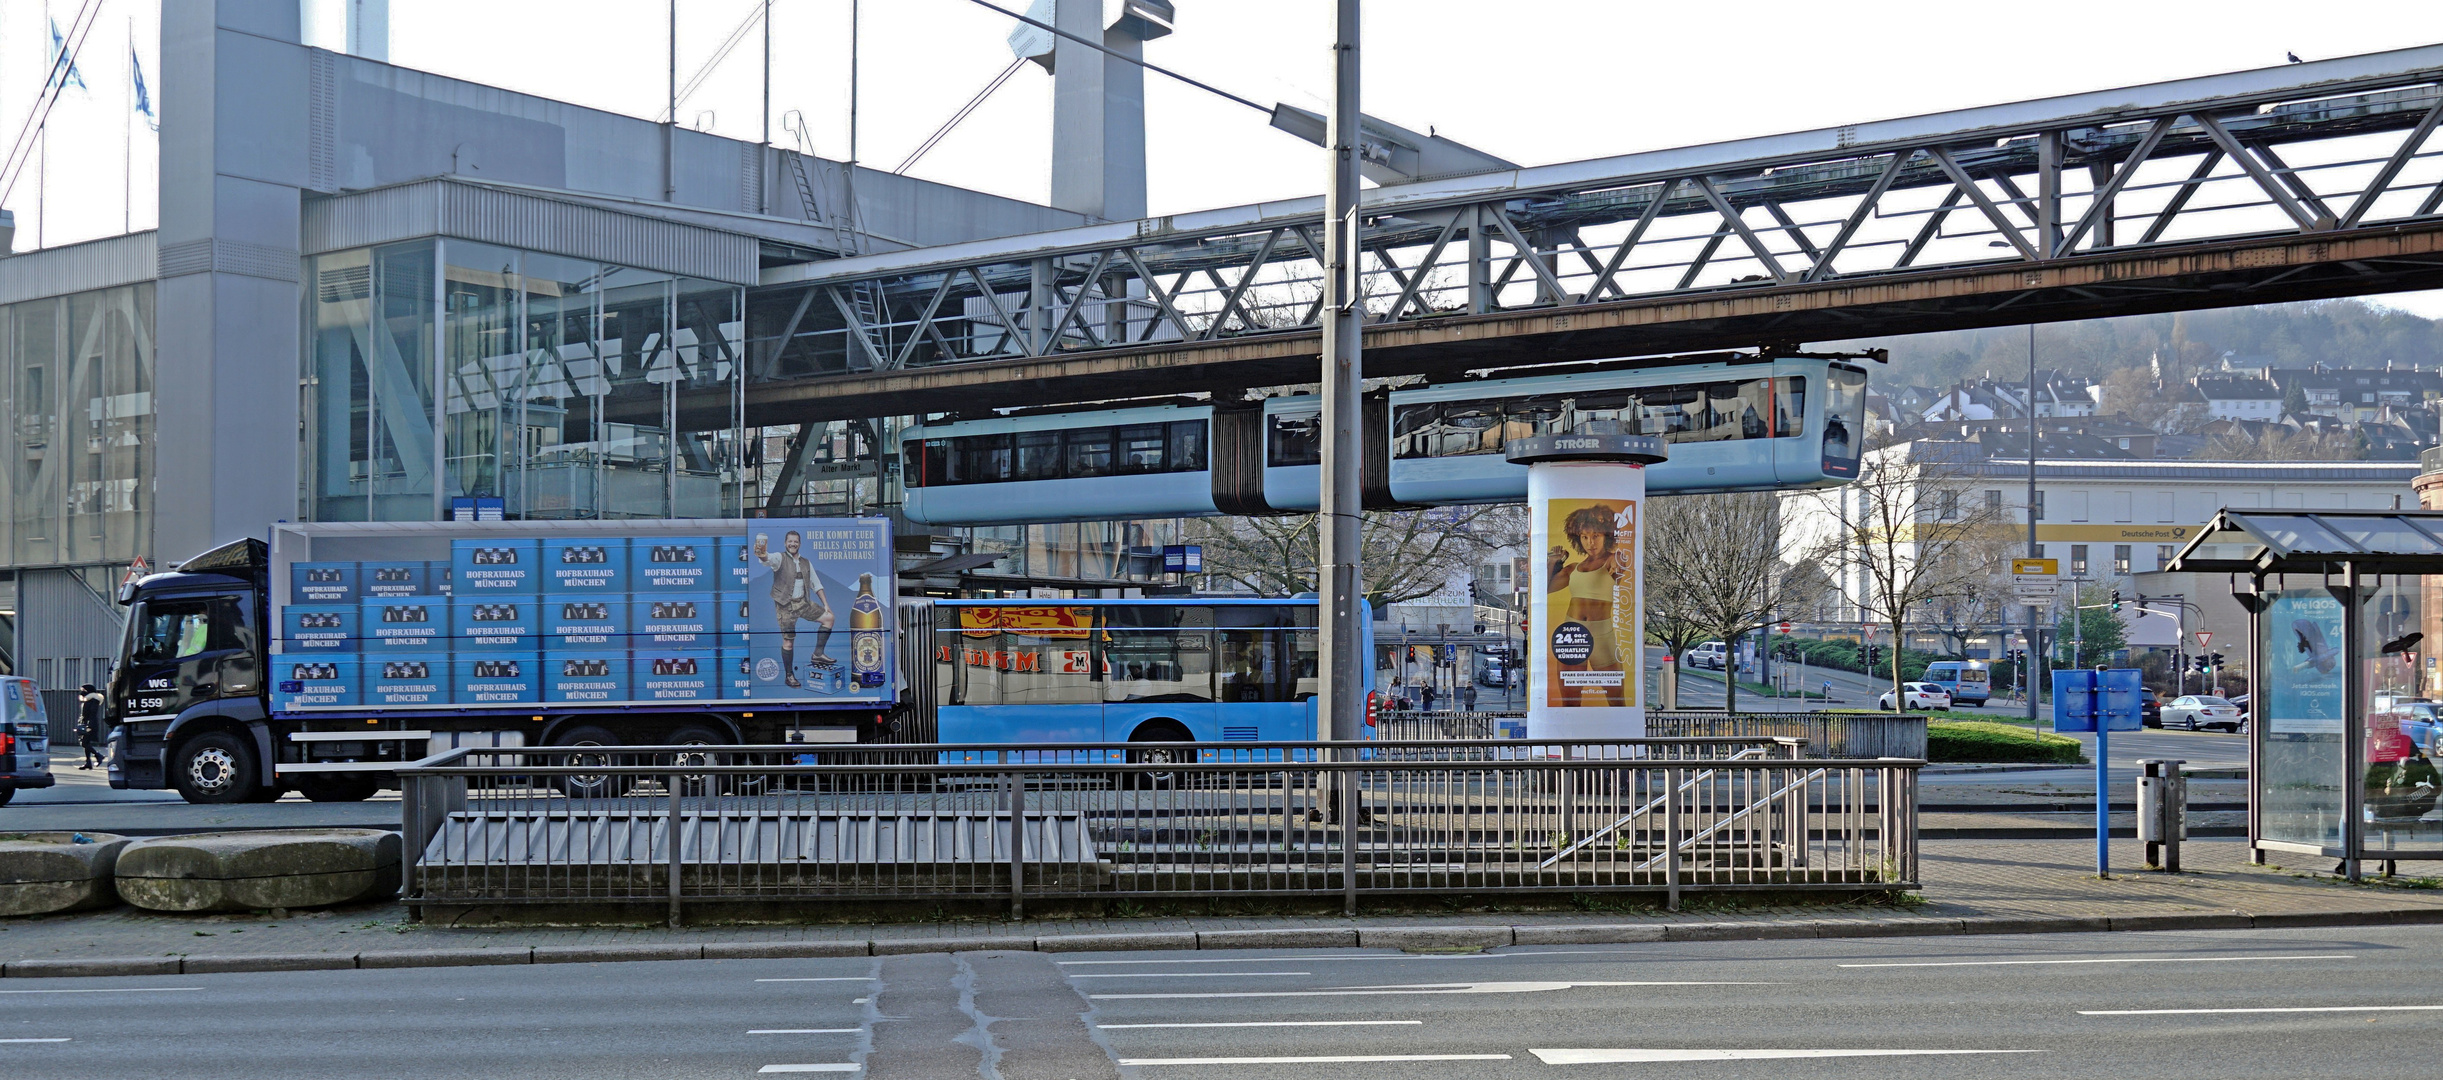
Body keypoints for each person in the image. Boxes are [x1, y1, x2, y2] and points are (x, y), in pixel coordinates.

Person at [1548, 505, 1630, 707]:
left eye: (1596, 536)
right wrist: (1553, 563)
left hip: (1602, 635)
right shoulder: (1573, 569)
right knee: (1569, 702)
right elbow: (1545, 589)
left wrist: (1618, 564)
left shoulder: (1614, 558)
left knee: (1617, 702)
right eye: (1584, 537)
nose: (1590, 542)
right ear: (1577, 538)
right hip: (1572, 634)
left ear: (1607, 535)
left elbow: (1619, 570)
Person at [753, 530, 834, 688]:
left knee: (829, 618)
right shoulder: (779, 558)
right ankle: (789, 676)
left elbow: (816, 584)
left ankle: (818, 654)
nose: (793, 544)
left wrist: (826, 604)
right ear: (785, 543)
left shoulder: (806, 562)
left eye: (795, 541)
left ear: (800, 544)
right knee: (788, 642)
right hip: (785, 605)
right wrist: (761, 553)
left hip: (803, 603)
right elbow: (766, 558)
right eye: (790, 541)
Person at [76, 684, 105, 768]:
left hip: (89, 724)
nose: (82, 692)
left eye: (84, 690)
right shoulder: (88, 700)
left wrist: (89, 726)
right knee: (86, 743)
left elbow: (92, 714)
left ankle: (98, 756)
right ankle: (88, 762)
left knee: (84, 743)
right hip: (85, 723)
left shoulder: (93, 700)